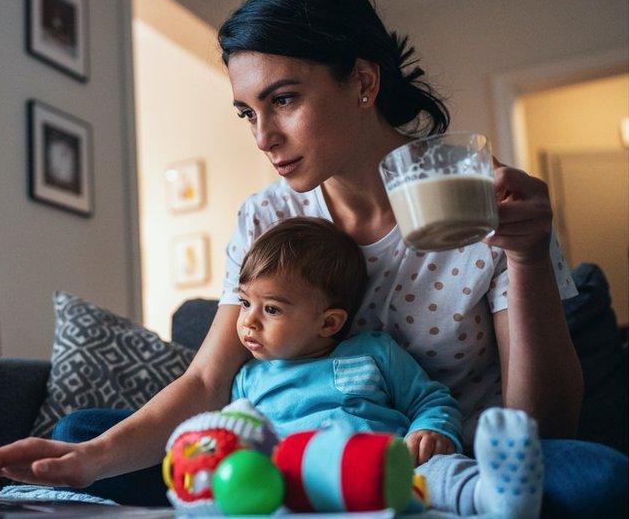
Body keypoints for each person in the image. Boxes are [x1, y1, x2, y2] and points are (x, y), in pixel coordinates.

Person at [0, 0, 628, 514]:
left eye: (284, 99)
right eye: (247, 111)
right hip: (290, 456)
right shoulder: (266, 215)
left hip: (446, 468)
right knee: (85, 428)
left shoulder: (484, 197)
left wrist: (529, 256)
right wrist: (83, 458)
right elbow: (209, 381)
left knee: (595, 478)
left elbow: (543, 423)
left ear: (362, 82)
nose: (262, 135)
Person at [228, 216, 540, 516]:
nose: (249, 321)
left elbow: (430, 400)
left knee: (438, 473)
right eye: (244, 302)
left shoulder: (373, 353)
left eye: (271, 309)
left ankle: (494, 494)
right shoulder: (248, 381)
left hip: (389, 471)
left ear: (329, 323)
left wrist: (430, 429)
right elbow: (239, 438)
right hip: (304, 485)